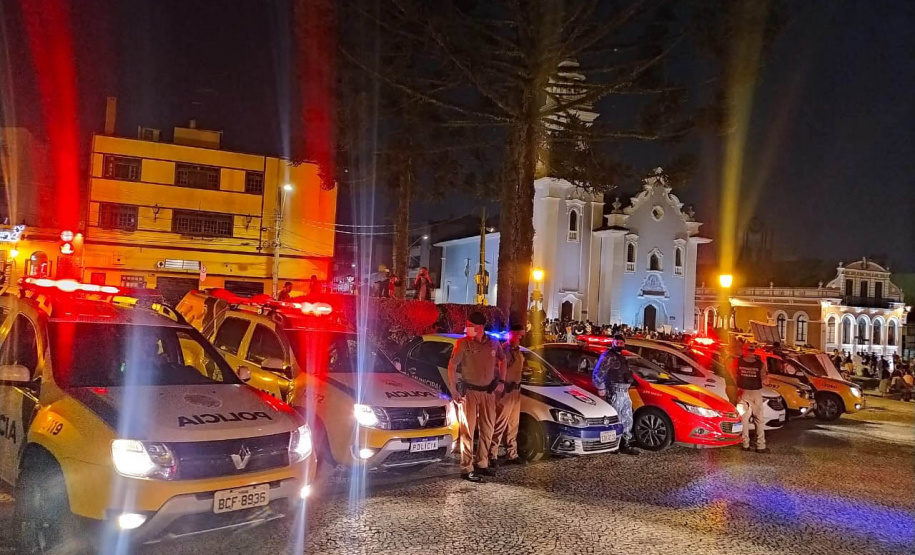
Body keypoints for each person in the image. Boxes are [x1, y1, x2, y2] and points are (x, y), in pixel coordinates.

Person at [447, 312, 506, 482]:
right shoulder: (463, 343)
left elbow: (503, 360)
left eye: (470, 325)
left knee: (487, 430)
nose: (467, 328)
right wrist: (454, 390)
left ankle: (482, 464)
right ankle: (467, 467)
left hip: (488, 393)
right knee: (468, 430)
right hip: (470, 392)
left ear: (479, 327)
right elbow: (452, 366)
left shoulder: (493, 343)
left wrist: (501, 380)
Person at [592, 334, 639, 455]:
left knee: (627, 419)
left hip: (625, 392)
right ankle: (613, 445)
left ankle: (625, 444)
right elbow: (598, 373)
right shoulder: (608, 356)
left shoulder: (621, 357)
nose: (619, 344)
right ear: (613, 343)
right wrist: (601, 388)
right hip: (615, 392)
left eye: (621, 343)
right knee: (615, 419)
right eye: (617, 342)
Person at [490, 323, 526, 466]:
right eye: (520, 335)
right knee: (500, 423)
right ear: (513, 334)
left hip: (516, 391)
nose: (521, 338)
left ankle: (512, 454)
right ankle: (492, 454)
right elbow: (497, 368)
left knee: (513, 425)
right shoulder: (505, 350)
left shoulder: (518, 350)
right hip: (506, 391)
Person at [735, 345, 768, 453]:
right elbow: (764, 378)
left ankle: (745, 444)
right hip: (755, 392)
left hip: (743, 392)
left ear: (744, 350)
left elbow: (733, 374)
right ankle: (760, 445)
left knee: (744, 418)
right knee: (759, 419)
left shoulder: (738, 362)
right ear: (754, 351)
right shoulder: (759, 363)